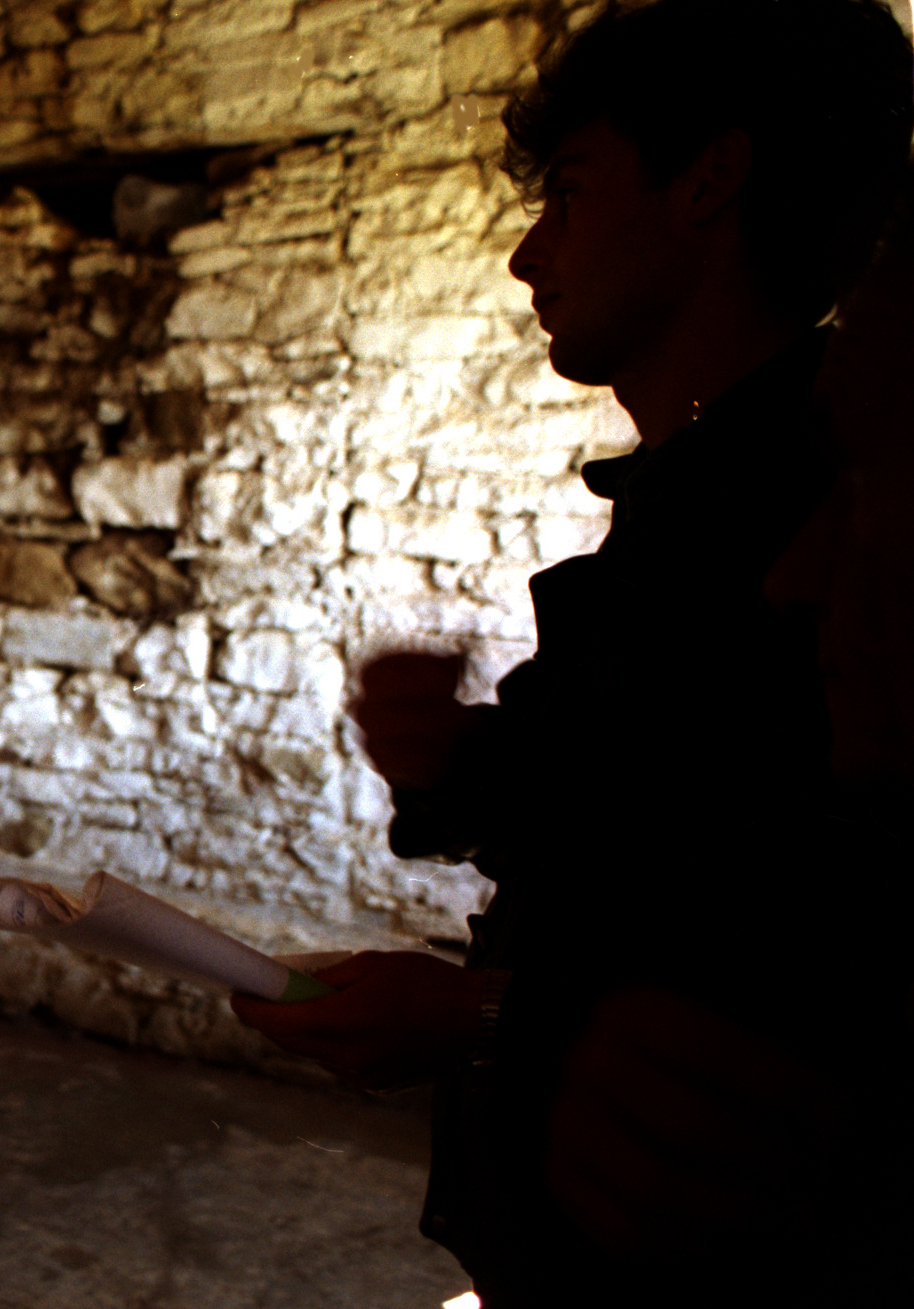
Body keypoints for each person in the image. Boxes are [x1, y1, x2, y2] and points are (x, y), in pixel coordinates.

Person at [228, 3, 913, 1304]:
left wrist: (476, 1016)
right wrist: (457, 757)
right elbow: (640, 810)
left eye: (574, 188)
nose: (528, 256)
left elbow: (804, 970)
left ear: (709, 177)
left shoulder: (818, 508)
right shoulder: (695, 490)